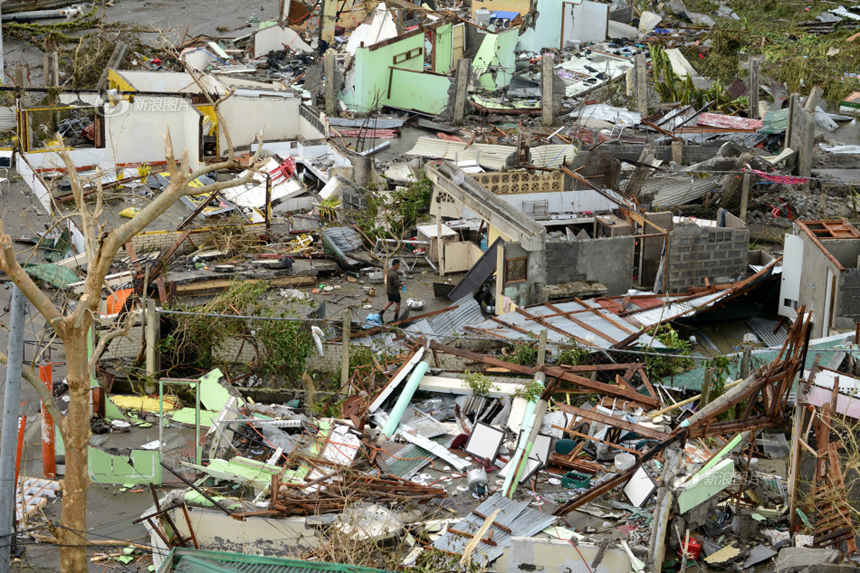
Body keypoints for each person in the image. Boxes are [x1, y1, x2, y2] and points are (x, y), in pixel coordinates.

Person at [381, 259, 402, 323]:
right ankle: (396, 317)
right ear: (396, 265)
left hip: (389, 290)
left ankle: (381, 313)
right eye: (398, 265)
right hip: (394, 292)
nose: (399, 266)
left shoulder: (389, 270)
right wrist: (401, 284)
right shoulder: (395, 275)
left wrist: (398, 272)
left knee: (391, 301)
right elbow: (396, 284)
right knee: (398, 303)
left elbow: (393, 272)